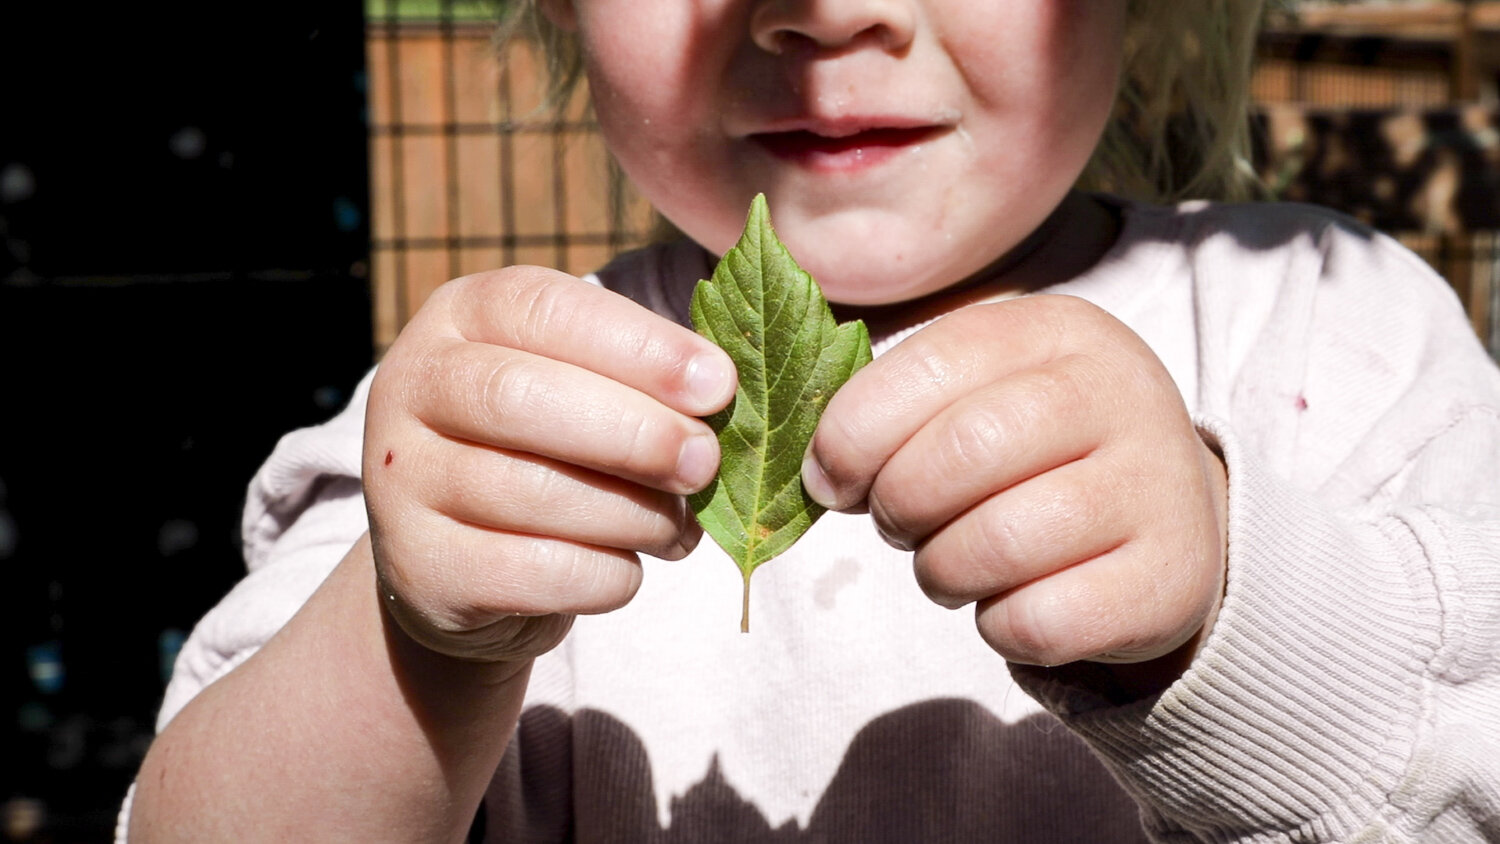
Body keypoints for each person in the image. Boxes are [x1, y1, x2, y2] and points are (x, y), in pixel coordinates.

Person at [121, 1, 1500, 841]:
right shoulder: (483, 426)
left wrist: (1235, 613)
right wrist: (414, 642)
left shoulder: (1335, 325)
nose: (824, 10)